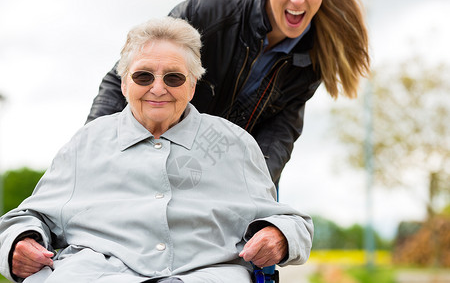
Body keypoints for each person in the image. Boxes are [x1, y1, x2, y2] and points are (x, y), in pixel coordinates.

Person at [0, 17, 313, 283]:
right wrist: (20, 241)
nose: (158, 88)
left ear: (192, 85)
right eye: (143, 76)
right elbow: (28, 216)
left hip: (203, 274)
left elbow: (292, 222)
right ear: (124, 84)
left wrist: (278, 235)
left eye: (174, 77)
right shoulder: (87, 143)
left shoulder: (234, 143)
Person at [86, 0, 370, 186]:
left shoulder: (314, 55)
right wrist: (94, 147)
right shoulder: (204, 13)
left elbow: (281, 128)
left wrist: (254, 183)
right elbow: (124, 77)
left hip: (231, 165)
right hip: (163, 148)